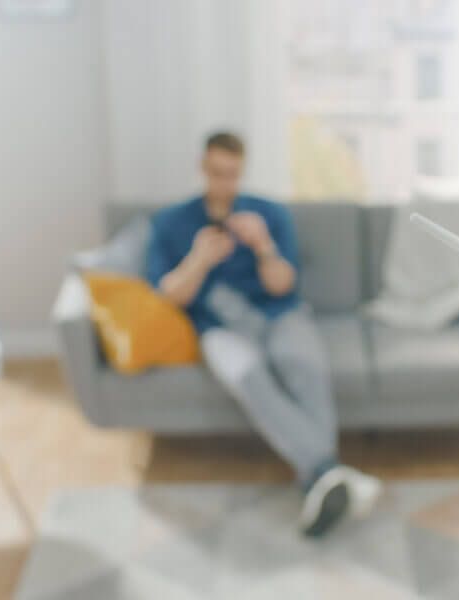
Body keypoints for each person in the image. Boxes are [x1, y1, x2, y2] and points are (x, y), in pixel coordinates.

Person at [145, 131, 381, 537]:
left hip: (280, 316)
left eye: (233, 174)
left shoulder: (268, 214)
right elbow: (168, 296)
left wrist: (263, 246)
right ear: (203, 168)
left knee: (302, 365)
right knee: (251, 378)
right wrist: (199, 260)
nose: (225, 183)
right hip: (219, 330)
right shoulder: (171, 223)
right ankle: (326, 473)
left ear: (242, 171)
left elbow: (283, 285)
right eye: (217, 173)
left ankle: (321, 480)